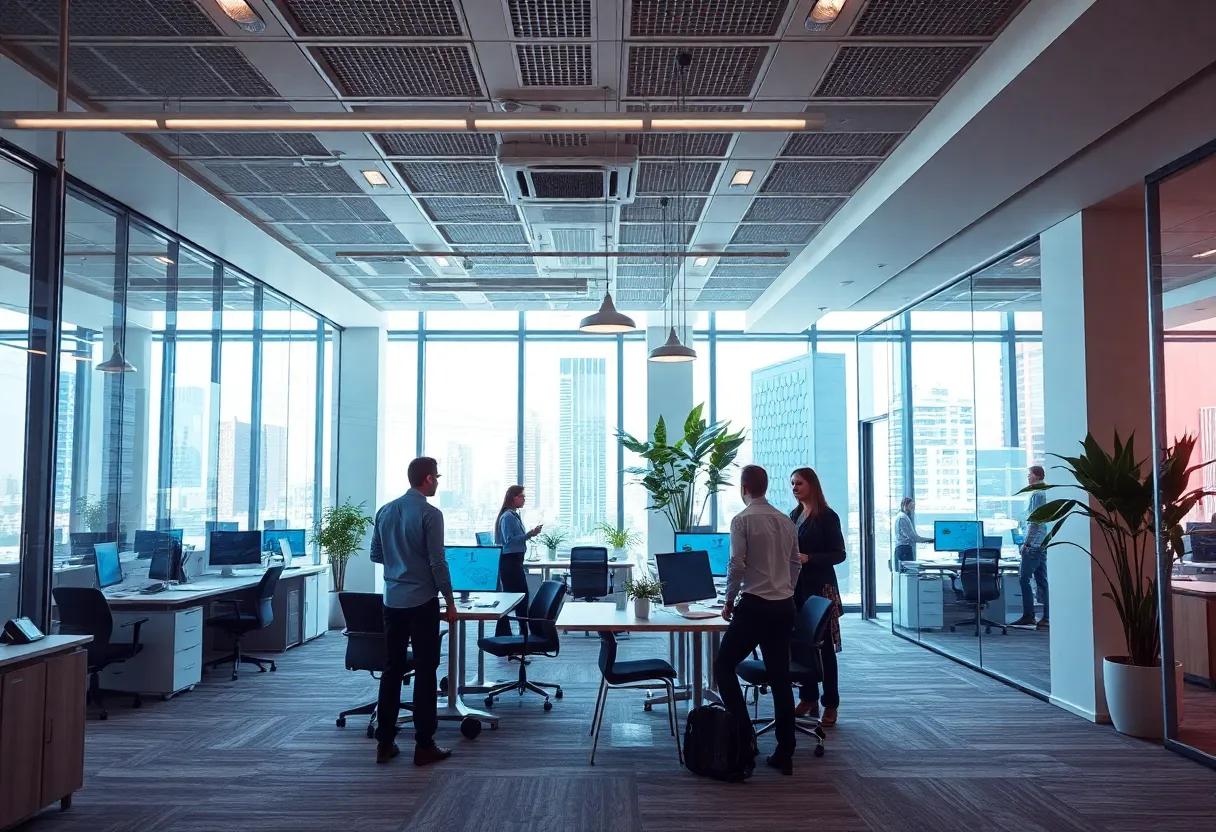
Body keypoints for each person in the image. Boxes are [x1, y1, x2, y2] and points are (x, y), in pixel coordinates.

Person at [369, 456, 459, 767]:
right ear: (428, 479)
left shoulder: (385, 511)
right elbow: (437, 562)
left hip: (391, 600)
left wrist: (400, 564)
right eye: (437, 476)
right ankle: (424, 745)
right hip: (422, 602)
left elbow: (375, 554)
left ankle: (384, 742)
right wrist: (449, 600)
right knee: (425, 670)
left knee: (392, 669)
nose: (437, 481)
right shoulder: (430, 514)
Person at [714, 464, 802, 775]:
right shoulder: (785, 521)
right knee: (780, 679)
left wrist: (728, 600)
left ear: (744, 489)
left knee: (724, 666)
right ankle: (785, 752)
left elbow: (737, 564)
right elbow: (795, 565)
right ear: (765, 487)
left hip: (754, 606)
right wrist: (785, 589)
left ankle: (743, 738)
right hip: (783, 606)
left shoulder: (742, 520)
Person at [789, 467, 846, 727]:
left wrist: (810, 558)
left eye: (799, 483)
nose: (794, 488)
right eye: (792, 484)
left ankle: (830, 704)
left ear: (812, 484)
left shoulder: (827, 517)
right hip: (797, 587)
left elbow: (839, 554)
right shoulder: (795, 515)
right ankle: (808, 697)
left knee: (824, 648)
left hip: (820, 588)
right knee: (801, 644)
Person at [494, 485, 542, 637]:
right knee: (518, 597)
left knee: (517, 597)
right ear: (514, 498)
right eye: (522, 496)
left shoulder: (514, 515)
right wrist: (530, 534)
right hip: (510, 562)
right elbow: (509, 541)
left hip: (514, 561)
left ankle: (518, 632)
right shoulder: (508, 517)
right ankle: (522, 633)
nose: (524, 499)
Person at [1011, 464, 1049, 630]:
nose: (1028, 477)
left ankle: (1029, 616)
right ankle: (1046, 617)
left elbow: (1035, 521)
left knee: (1023, 578)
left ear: (1038, 476)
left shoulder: (1037, 495)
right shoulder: (1045, 492)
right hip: (1042, 543)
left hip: (1034, 545)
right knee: (1042, 581)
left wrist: (1025, 543)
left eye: (1030, 475)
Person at [894, 497, 933, 567]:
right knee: (909, 573)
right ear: (904, 505)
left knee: (907, 572)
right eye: (911, 504)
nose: (913, 506)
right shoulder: (903, 517)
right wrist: (931, 540)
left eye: (913, 504)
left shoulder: (902, 516)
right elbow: (913, 537)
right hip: (904, 550)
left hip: (903, 549)